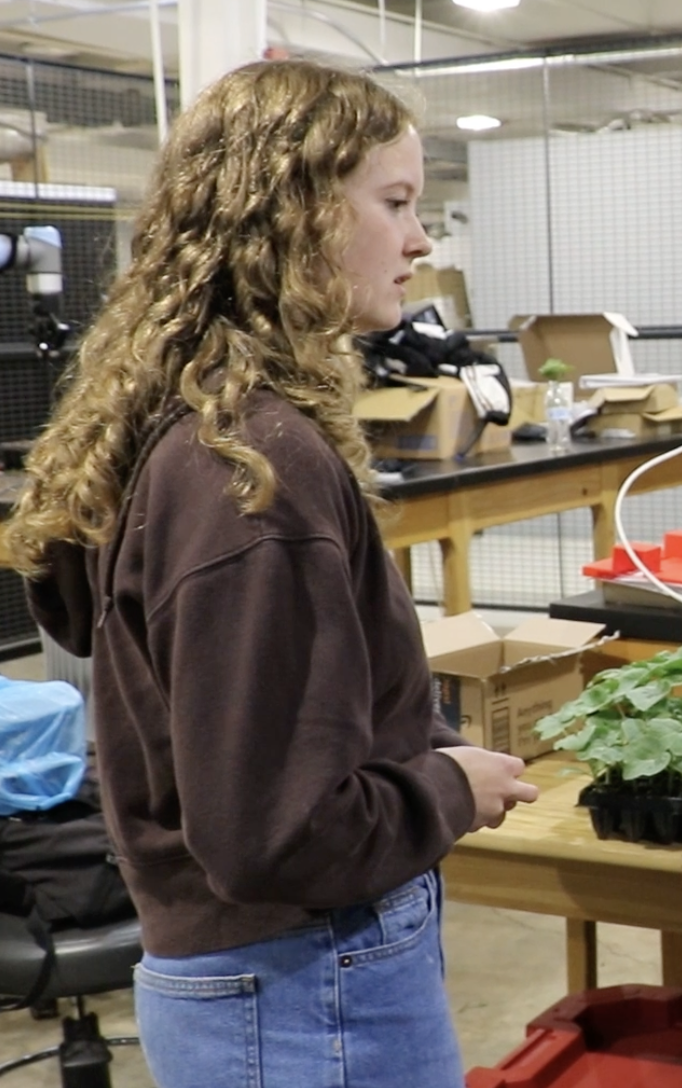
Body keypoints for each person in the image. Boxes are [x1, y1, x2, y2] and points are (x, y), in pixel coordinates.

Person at [1, 59, 537, 1087]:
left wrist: (413, 733)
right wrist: (445, 788)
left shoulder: (180, 430)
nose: (421, 241)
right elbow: (273, 832)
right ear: (296, 216)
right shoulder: (253, 471)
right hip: (305, 987)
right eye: (395, 203)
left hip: (246, 982)